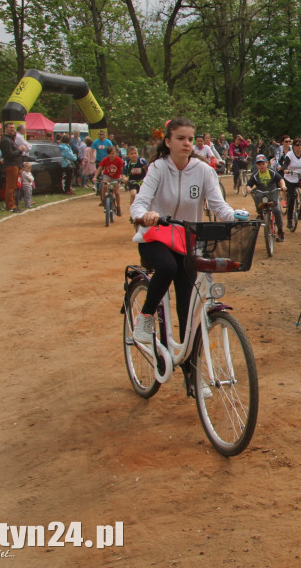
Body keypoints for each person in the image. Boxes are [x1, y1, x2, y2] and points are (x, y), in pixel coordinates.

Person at [129, 116, 237, 397]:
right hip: (155, 239)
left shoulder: (203, 171)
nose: (187, 143)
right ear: (168, 142)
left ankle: (192, 375)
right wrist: (144, 215)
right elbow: (140, 202)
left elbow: (218, 205)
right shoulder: (156, 168)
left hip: (187, 243)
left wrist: (234, 216)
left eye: (191, 138)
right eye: (180, 138)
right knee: (165, 267)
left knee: (189, 311)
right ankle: (146, 318)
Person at [246, 154, 286, 241]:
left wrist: (283, 186)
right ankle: (260, 213)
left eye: (263, 163)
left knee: (277, 210)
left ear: (267, 163)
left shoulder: (272, 172)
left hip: (273, 192)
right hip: (261, 193)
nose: (261, 166)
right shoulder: (255, 175)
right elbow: (249, 185)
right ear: (257, 165)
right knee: (257, 196)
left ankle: (280, 231)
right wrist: (249, 189)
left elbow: (280, 179)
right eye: (259, 164)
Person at [94, 144, 125, 216]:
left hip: (116, 177)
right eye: (110, 154)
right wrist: (95, 177)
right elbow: (99, 168)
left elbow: (122, 170)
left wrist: (123, 177)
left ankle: (118, 207)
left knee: (116, 192)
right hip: (107, 175)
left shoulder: (119, 160)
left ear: (116, 153)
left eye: (113, 153)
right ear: (108, 154)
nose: (112, 155)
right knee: (104, 185)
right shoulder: (105, 160)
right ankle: (103, 200)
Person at [0, 122, 24, 213]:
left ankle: (14, 204)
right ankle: (10, 206)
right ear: (5, 128)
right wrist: (20, 150)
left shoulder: (10, 139)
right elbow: (9, 154)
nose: (13, 129)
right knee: (11, 186)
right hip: (11, 165)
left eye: (13, 128)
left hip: (15, 165)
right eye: (10, 127)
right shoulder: (5, 140)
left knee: (14, 186)